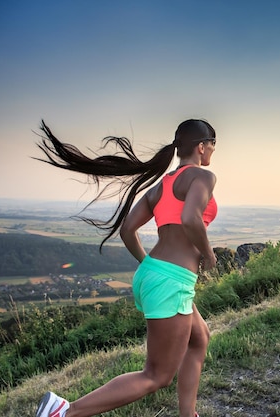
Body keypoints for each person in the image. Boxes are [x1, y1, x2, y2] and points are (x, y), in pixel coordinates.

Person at [34, 119, 218, 417]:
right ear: (201, 146)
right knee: (156, 376)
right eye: (212, 144)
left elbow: (127, 230)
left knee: (199, 339)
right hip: (171, 280)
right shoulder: (202, 177)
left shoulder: (161, 187)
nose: (212, 150)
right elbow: (190, 219)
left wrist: (150, 266)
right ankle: (63, 412)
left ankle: (188, 414)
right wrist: (208, 254)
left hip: (155, 273)